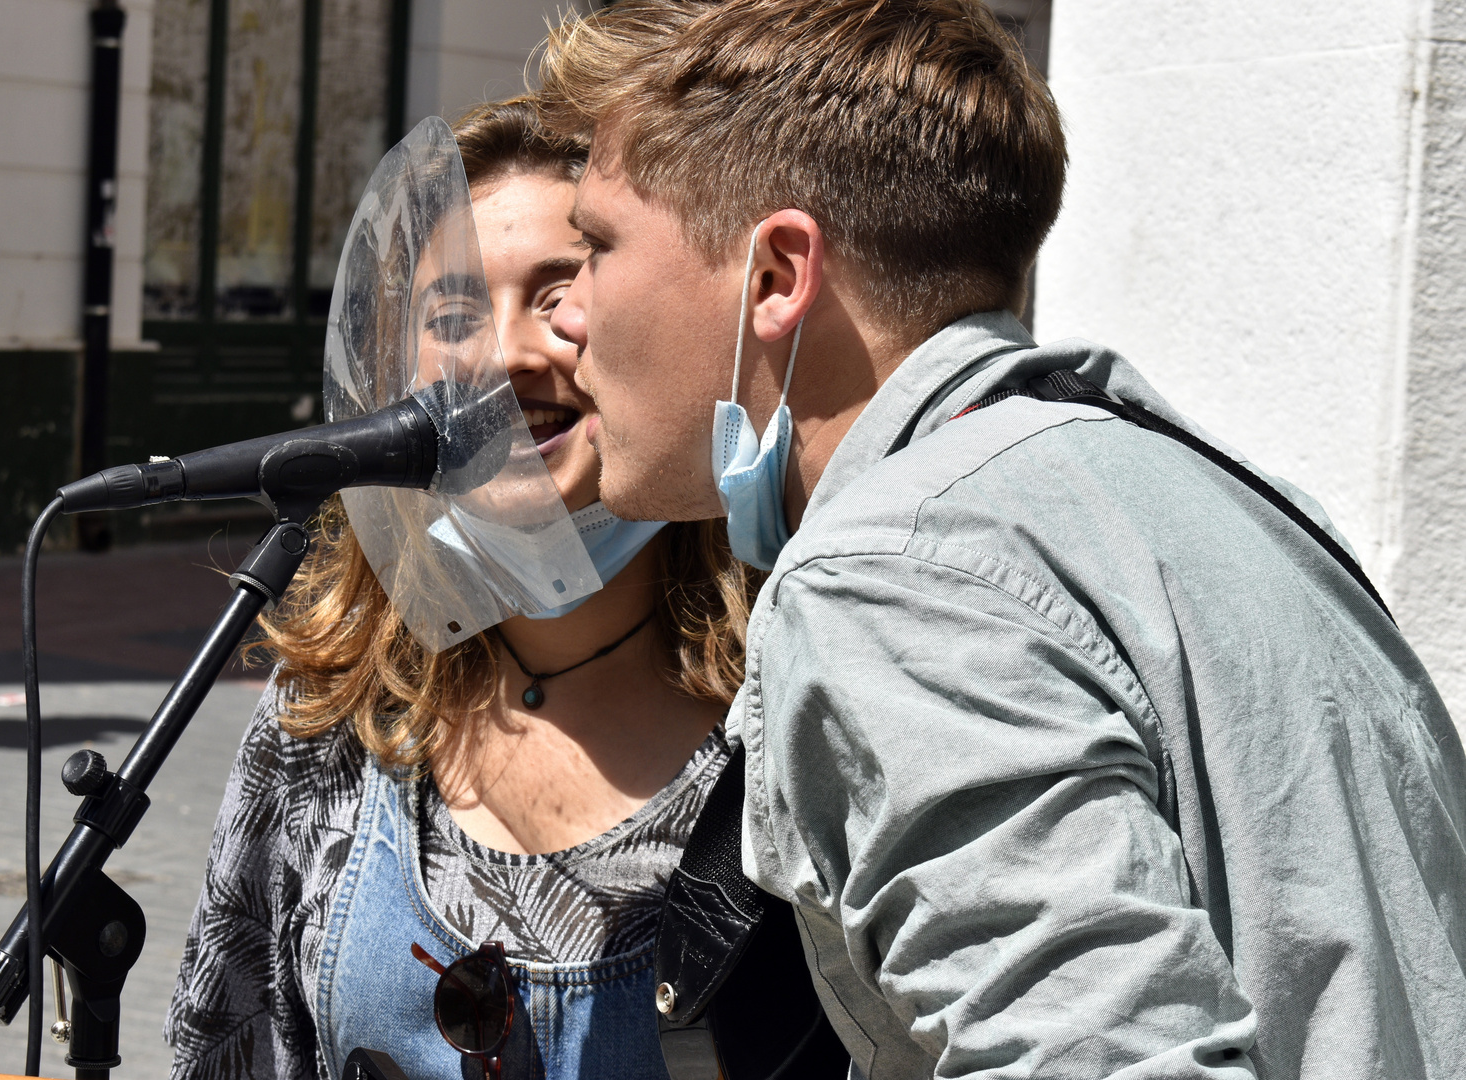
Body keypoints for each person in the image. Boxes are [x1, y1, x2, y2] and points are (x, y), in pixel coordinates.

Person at [535, 0, 1466, 1076]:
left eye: (598, 245)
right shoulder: (1202, 490)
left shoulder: (892, 574)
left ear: (778, 277)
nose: (569, 317)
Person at [165, 97, 763, 1080]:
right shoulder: (330, 712)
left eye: (562, 296)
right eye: (453, 316)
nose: (507, 355)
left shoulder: (783, 716)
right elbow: (223, 1049)